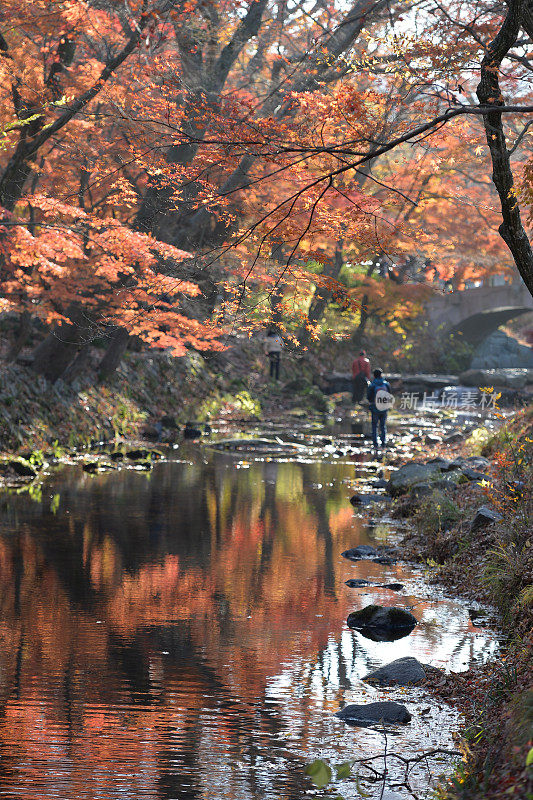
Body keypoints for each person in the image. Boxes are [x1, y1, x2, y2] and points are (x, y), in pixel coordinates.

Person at [366, 368, 393, 450]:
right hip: (384, 408)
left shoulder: (372, 385)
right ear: (381, 375)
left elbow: (369, 397)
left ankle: (375, 444)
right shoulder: (386, 384)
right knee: (383, 426)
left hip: (374, 408)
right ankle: (383, 443)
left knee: (374, 426)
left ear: (374, 375)